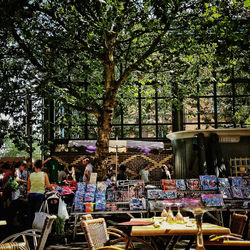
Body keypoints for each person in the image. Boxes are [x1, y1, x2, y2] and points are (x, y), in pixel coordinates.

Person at [27, 159, 54, 225]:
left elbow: (28, 188)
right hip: (39, 195)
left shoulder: (31, 175)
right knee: (38, 212)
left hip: (31, 195)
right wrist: (52, 187)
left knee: (31, 212)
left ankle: (30, 226)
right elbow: (48, 186)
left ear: (34, 166)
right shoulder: (44, 174)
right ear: (41, 166)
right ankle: (37, 226)